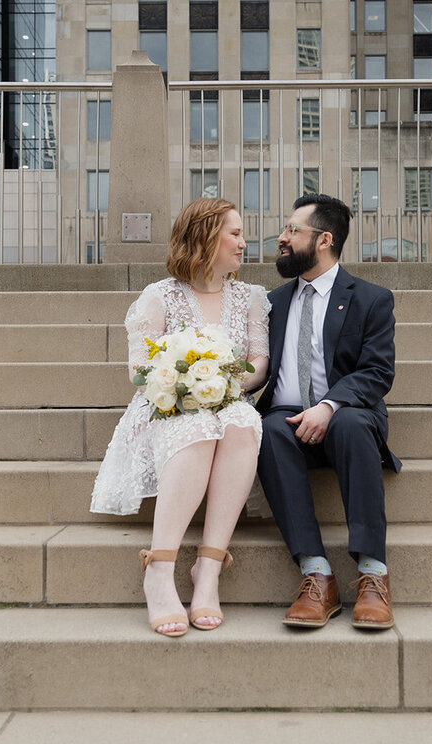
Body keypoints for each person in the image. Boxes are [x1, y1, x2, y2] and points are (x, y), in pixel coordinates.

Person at [91, 197, 271, 637]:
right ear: (206, 236)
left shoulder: (251, 297)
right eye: (235, 233)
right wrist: (184, 386)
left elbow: (258, 364)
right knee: (197, 427)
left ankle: (207, 572)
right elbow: (138, 371)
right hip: (166, 405)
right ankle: (159, 568)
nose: (244, 243)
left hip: (228, 399)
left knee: (242, 424)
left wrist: (224, 388)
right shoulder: (159, 296)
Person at [256, 193, 401, 630]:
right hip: (285, 418)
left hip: (345, 416)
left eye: (291, 230)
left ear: (323, 240)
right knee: (267, 428)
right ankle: (317, 574)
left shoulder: (371, 299)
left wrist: (328, 405)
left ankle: (374, 575)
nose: (281, 238)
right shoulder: (271, 302)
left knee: (354, 422)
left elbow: (377, 373)